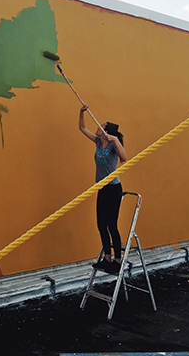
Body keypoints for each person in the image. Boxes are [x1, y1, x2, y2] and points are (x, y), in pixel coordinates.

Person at [79, 104, 127, 275]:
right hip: (102, 188)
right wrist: (82, 112)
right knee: (101, 224)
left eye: (101, 127)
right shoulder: (98, 141)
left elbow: (124, 159)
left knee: (112, 225)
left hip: (114, 188)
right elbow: (82, 128)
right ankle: (107, 258)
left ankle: (117, 260)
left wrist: (114, 140)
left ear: (107, 132)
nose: (98, 128)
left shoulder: (113, 145)